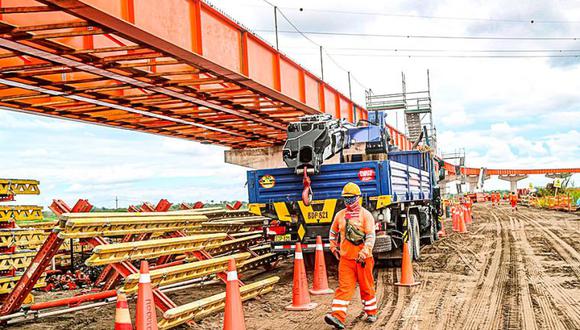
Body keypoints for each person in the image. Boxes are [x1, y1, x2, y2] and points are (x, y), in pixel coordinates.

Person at [324, 182, 377, 329]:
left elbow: (371, 236)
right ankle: (337, 317)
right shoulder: (340, 215)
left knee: (367, 287)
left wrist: (365, 251)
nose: (348, 201)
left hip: (363, 260)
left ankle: (371, 312)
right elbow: (333, 232)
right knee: (344, 288)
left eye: (351, 198)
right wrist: (333, 246)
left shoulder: (366, 215)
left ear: (358, 197)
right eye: (346, 198)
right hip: (346, 260)